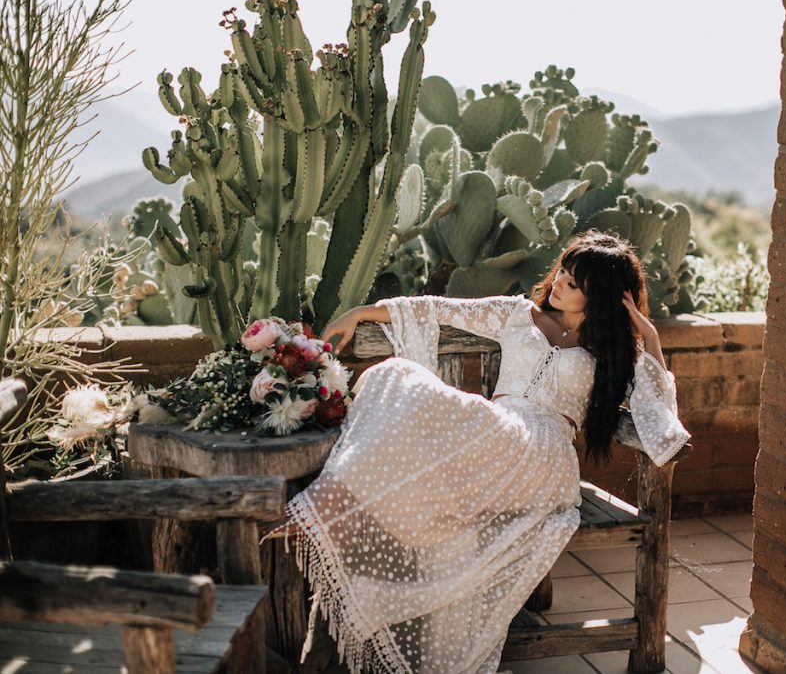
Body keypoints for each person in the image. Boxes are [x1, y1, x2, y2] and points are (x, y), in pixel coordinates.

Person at [264, 229, 691, 674]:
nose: (561, 281)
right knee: (395, 375)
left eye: (576, 282)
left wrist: (651, 340)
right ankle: (337, 504)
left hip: (544, 455)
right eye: (563, 270)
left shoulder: (612, 353)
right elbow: (437, 308)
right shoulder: (517, 315)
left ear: (599, 296)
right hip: (497, 434)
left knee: (455, 413)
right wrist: (359, 312)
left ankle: (330, 513)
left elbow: (659, 415)